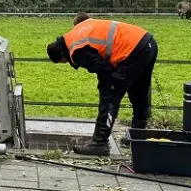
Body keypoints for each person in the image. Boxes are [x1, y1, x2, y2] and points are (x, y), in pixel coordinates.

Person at [46, 17, 159, 155]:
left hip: (132, 50)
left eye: (63, 61)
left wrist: (108, 85)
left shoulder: (76, 50)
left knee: (110, 94)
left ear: (61, 55)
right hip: (147, 42)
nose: (66, 63)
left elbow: (104, 68)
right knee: (139, 90)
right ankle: (138, 134)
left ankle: (99, 143)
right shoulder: (76, 32)